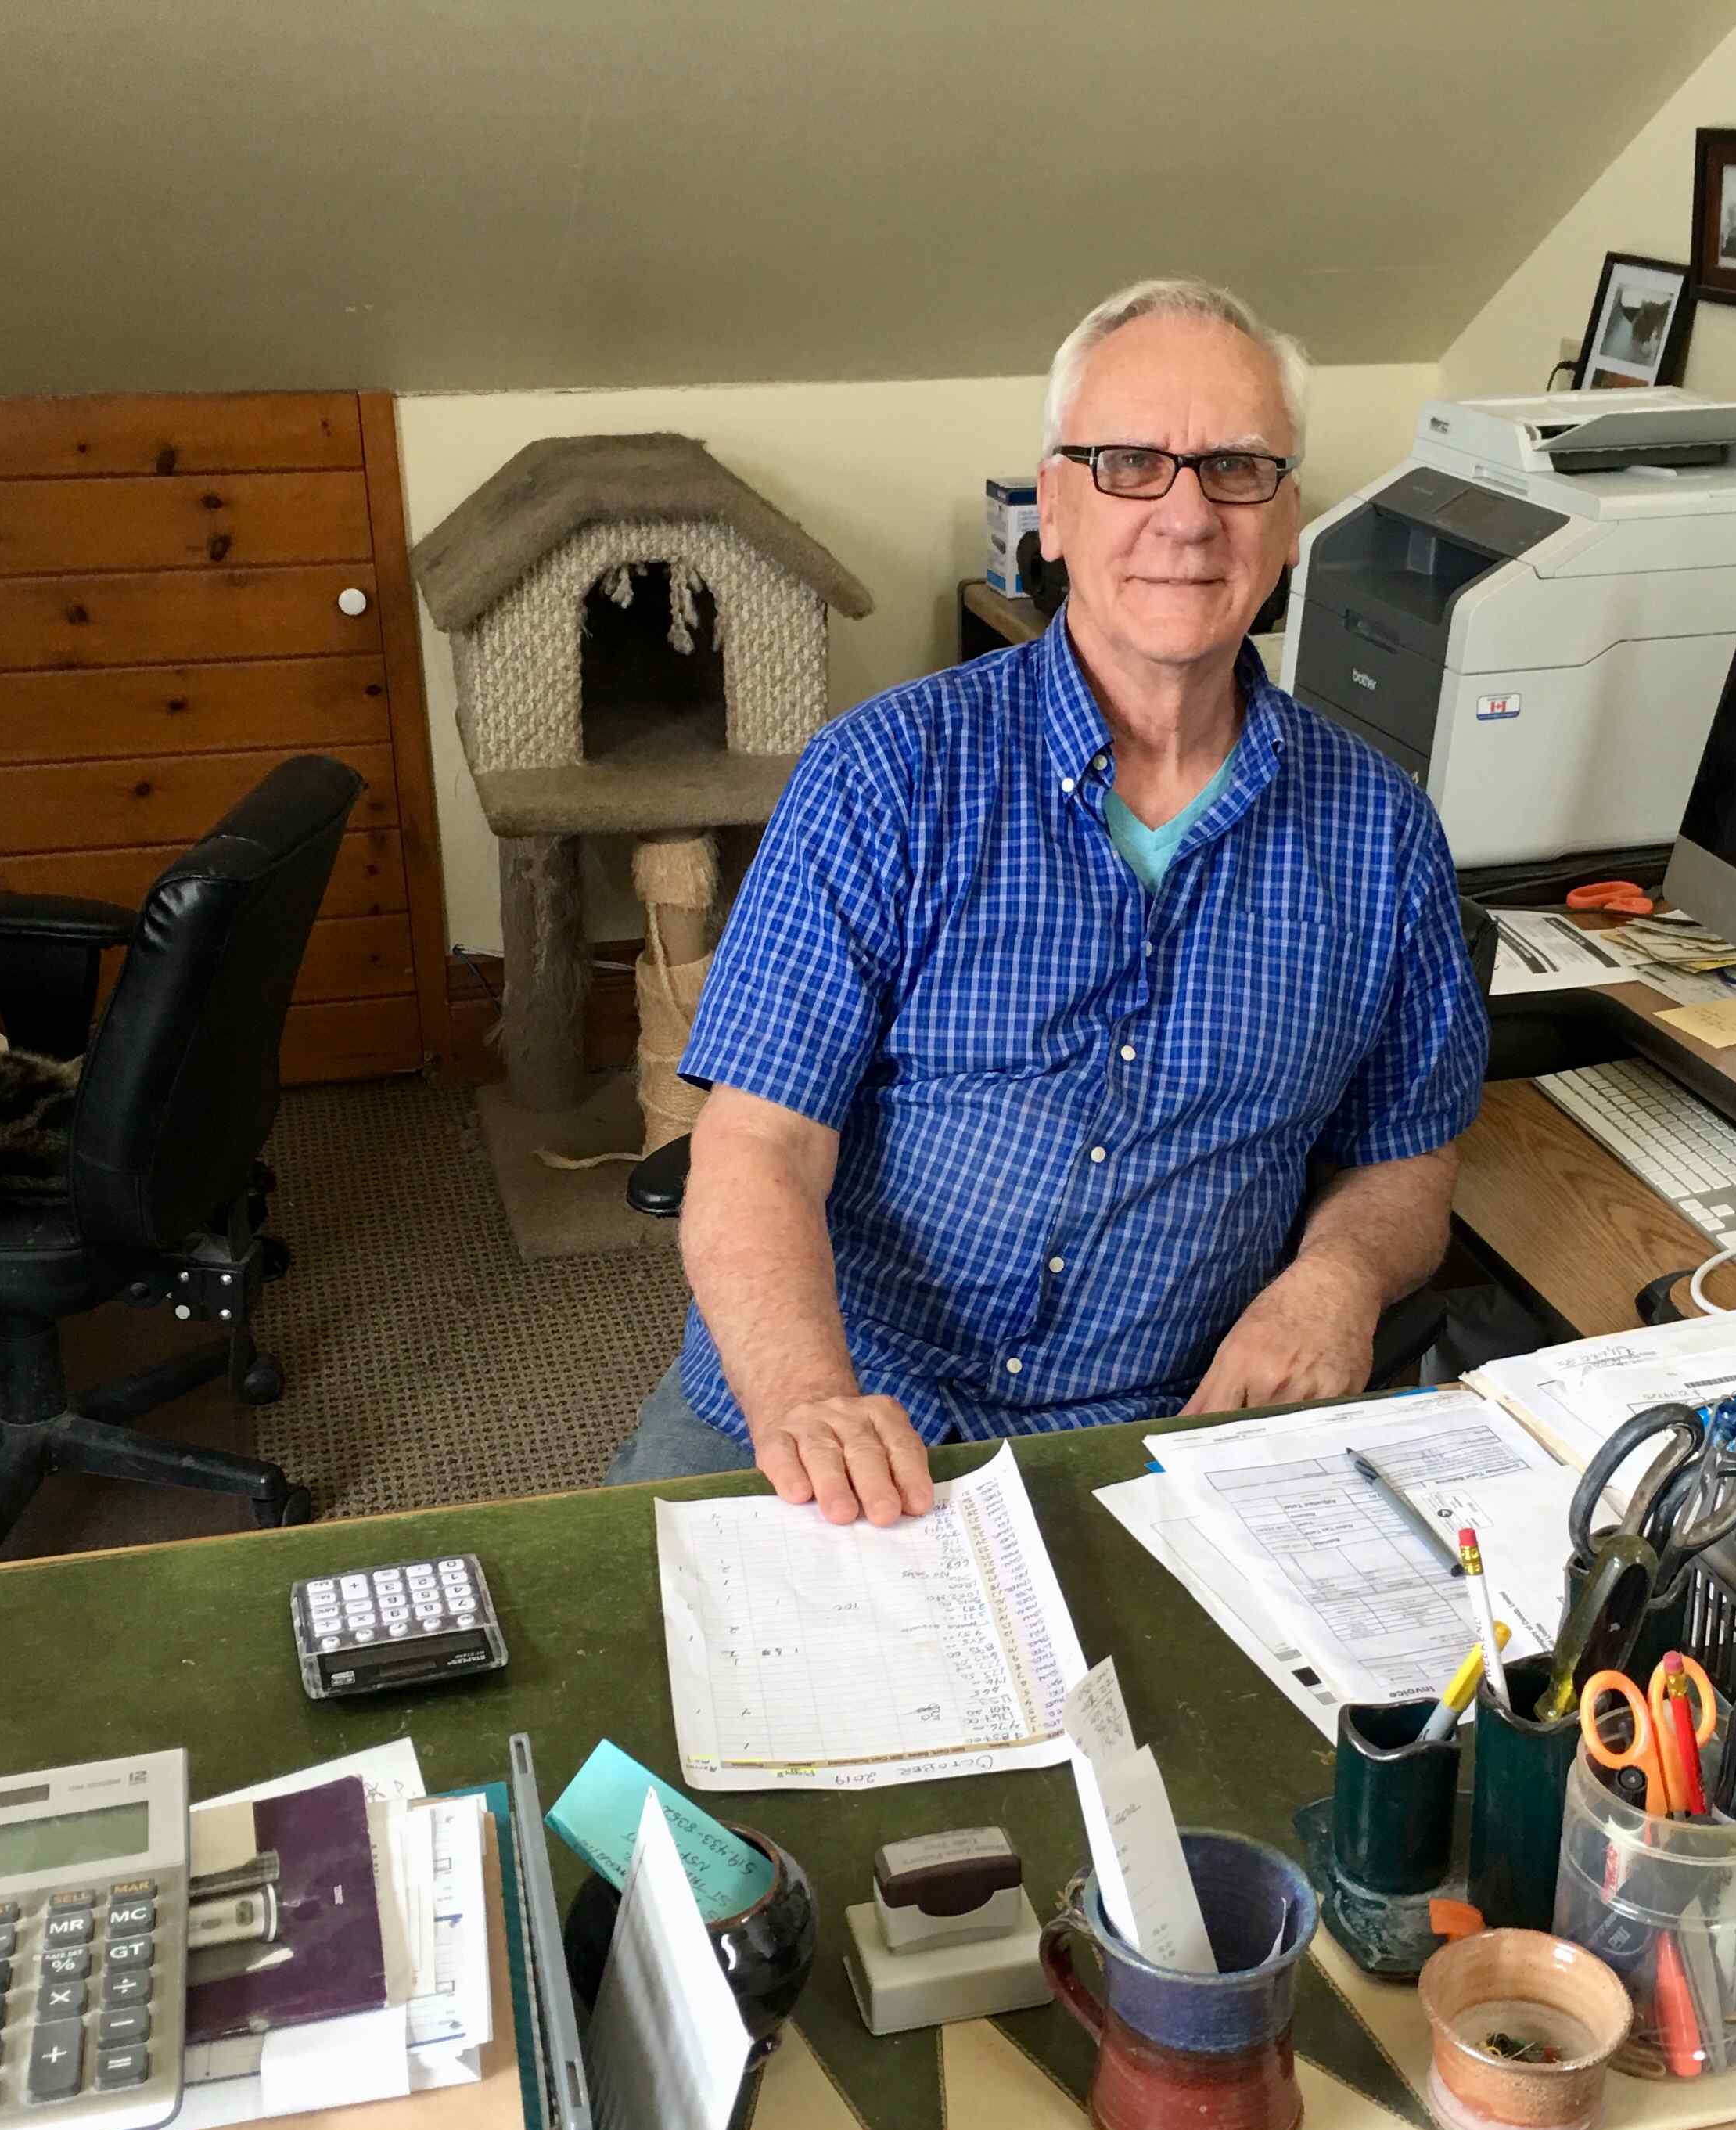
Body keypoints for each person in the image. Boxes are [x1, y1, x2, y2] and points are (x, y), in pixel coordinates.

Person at [605, 275, 1485, 1520]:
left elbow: (1407, 1159)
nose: (1186, 517)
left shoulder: (1383, 835)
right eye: (1129, 463)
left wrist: (1337, 1276)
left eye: (1236, 468)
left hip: (1162, 1430)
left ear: (1289, 523)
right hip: (835, 1402)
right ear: (1053, 510)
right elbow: (758, 1146)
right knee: (644, 1700)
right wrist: (808, 1396)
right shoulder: (886, 774)